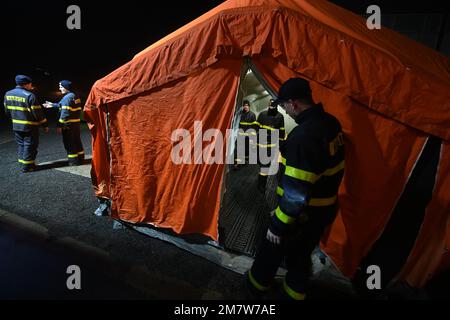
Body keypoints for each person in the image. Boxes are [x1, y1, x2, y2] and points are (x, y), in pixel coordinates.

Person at [246, 78, 345, 300]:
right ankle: (294, 294)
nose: (285, 111)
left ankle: (254, 287)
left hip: (301, 214)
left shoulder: (304, 137)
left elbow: (295, 195)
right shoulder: (331, 124)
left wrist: (278, 225)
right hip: (323, 209)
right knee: (301, 257)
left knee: (270, 248)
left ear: (293, 103)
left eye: (284, 106)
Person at [3, 75, 49, 173]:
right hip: (29, 126)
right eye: (30, 84)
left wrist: (14, 119)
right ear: (26, 84)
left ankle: (23, 163)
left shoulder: (8, 94)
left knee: (21, 145)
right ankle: (27, 166)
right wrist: (44, 125)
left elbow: (7, 111)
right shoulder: (29, 95)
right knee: (30, 145)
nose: (31, 86)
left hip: (16, 125)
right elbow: (37, 113)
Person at [44, 80, 84, 166]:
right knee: (77, 141)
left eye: (61, 87)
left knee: (69, 142)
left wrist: (60, 125)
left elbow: (64, 112)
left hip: (68, 124)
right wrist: (52, 105)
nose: (59, 88)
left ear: (66, 88)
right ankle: (80, 158)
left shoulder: (67, 97)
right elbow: (63, 105)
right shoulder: (75, 95)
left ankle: (73, 161)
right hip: (76, 123)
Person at [256, 99, 285, 192]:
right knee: (262, 165)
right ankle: (261, 182)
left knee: (265, 166)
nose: (271, 108)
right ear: (268, 105)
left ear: (276, 106)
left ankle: (261, 185)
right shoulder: (262, 115)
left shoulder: (280, 116)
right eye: (270, 106)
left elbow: (281, 131)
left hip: (271, 146)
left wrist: (281, 145)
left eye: (273, 106)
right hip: (260, 145)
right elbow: (256, 128)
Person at [234, 100, 257, 169]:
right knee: (239, 149)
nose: (245, 107)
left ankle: (244, 162)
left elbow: (254, 127)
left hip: (248, 136)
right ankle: (237, 164)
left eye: (247, 105)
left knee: (246, 150)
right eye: (244, 106)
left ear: (249, 106)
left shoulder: (252, 115)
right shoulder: (240, 114)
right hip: (240, 135)